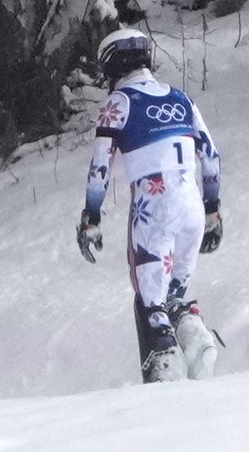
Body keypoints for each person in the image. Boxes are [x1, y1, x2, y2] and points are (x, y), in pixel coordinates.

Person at [75, 28, 223, 383]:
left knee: (149, 301)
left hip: (152, 208)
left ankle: (164, 367)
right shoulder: (182, 99)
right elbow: (212, 157)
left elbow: (101, 167)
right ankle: (195, 336)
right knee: (174, 295)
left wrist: (91, 217)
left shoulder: (118, 104)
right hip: (190, 207)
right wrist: (213, 210)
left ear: (111, 65)